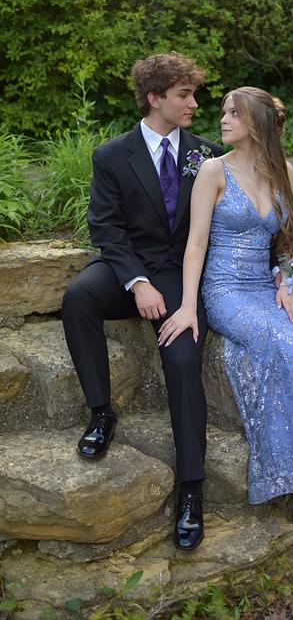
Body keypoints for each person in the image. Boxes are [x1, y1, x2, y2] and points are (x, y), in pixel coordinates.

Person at [158, 86, 293, 510]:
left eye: (234, 113)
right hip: (226, 291)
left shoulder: (283, 171)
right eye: (223, 112)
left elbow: (286, 242)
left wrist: (287, 282)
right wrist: (188, 306)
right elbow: (196, 244)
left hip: (267, 289)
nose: (223, 119)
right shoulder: (213, 170)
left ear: (258, 123)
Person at [62, 52, 223, 551]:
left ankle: (191, 489)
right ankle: (102, 412)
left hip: (178, 276)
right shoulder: (112, 155)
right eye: (184, 95)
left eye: (193, 94)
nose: (193, 104)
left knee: (183, 358)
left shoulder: (206, 154)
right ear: (155, 98)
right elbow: (105, 227)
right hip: (127, 268)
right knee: (78, 296)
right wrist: (136, 281)